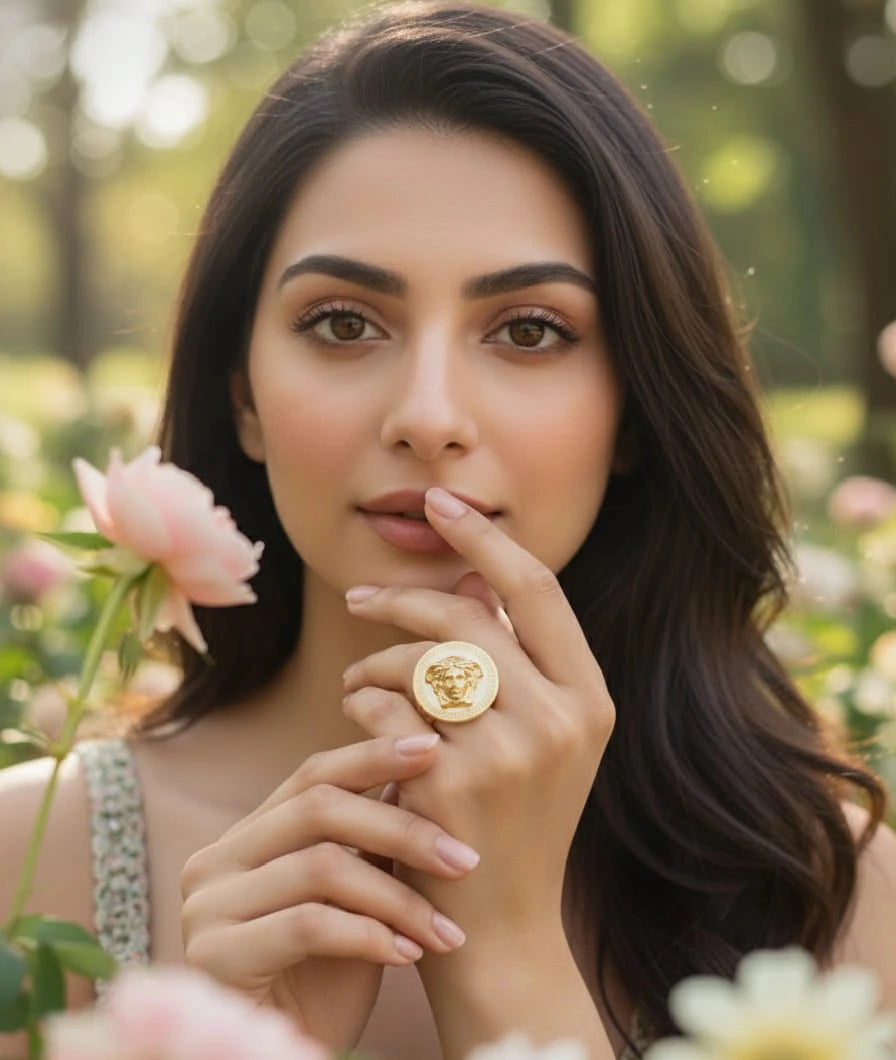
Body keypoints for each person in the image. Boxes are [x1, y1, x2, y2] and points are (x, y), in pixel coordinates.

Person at [2, 2, 895, 1058]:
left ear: (632, 409)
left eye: (529, 330)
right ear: (242, 392)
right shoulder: (29, 861)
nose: (427, 416)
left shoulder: (834, 890)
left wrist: (510, 968)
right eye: (343, 323)